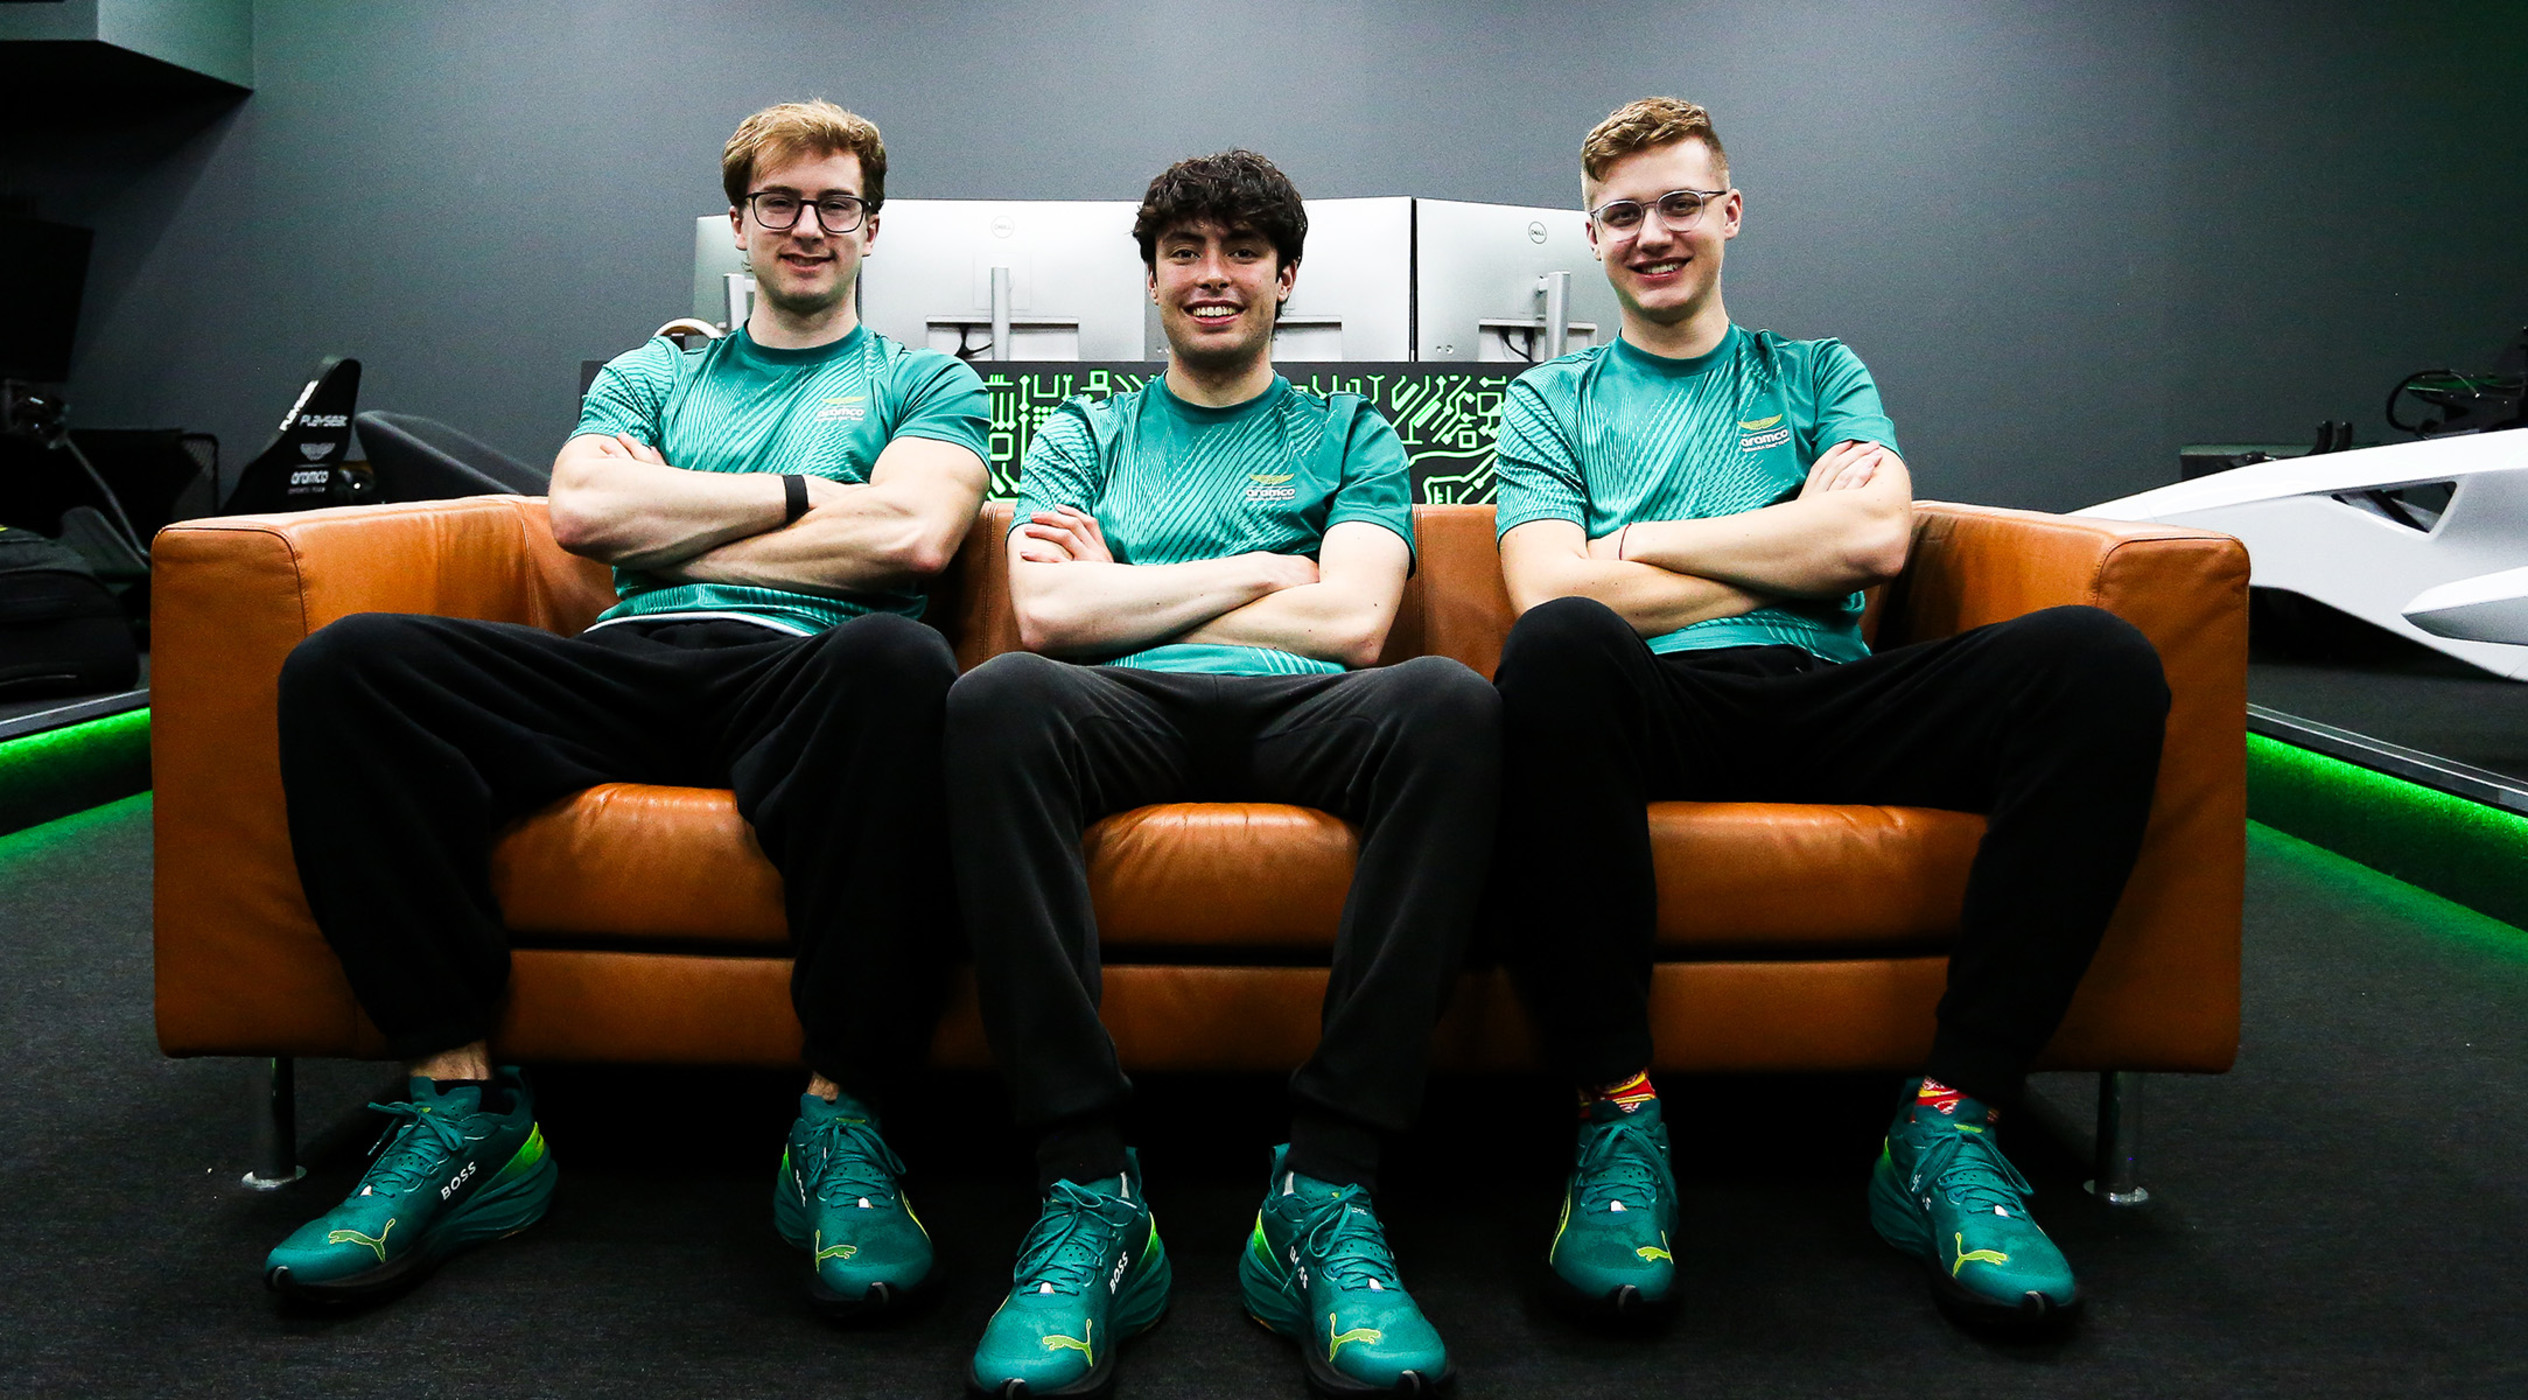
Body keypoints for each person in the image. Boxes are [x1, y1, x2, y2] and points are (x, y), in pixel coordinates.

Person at [262, 100, 991, 1314]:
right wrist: (811, 497)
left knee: (900, 660)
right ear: (738, 223)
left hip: (807, 673)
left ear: (872, 227)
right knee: (349, 666)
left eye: (834, 204)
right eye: (778, 202)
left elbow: (912, 538)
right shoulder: (654, 370)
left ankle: (843, 1116)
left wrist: (681, 511)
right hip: (627, 660)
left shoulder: (925, 381)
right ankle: (462, 1105)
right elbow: (585, 515)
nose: (807, 227)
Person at [1489, 97, 2170, 1326]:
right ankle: (1617, 1116)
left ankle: (1948, 1122)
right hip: (1657, 703)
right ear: (1591, 238)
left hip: (1828, 693)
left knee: (2096, 659)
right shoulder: (1549, 400)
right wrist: (1785, 539)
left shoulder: (1815, 371)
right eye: (1623, 214)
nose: (1653, 233)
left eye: (1679, 203)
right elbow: (1549, 587)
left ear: (1729, 212)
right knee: (1553, 647)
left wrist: (1633, 542)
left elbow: (1869, 541)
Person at [946, 149, 1498, 1396]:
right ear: (1150, 278)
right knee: (995, 697)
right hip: (1121, 707)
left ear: (1283, 276)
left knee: (1450, 703)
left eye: (1241, 250)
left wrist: (1129, 588)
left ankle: (1328, 1181)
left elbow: (1355, 623)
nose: (1212, 274)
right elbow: (1047, 615)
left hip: (1303, 708)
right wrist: (1262, 570)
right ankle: (1086, 1182)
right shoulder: (1084, 429)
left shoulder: (1352, 432)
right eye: (1184, 251)